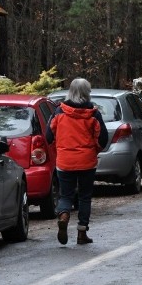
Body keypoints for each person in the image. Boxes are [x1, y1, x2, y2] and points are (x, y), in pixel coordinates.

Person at [46, 78, 109, 245]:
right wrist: (94, 149)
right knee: (84, 197)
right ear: (87, 92)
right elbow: (103, 139)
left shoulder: (59, 112)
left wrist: (59, 148)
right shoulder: (93, 114)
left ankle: (64, 215)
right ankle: (82, 233)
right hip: (87, 162)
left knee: (65, 194)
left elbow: (49, 136)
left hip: (65, 161)